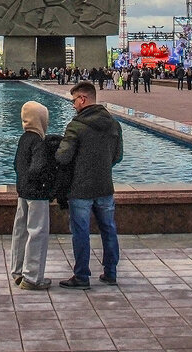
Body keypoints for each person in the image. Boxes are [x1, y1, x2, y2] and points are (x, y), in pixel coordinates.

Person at [55, 81, 123, 290]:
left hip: (80, 188)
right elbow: (117, 156)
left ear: (83, 99)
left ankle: (82, 276)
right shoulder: (113, 124)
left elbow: (63, 157)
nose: (73, 105)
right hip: (104, 186)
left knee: (81, 232)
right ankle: (110, 273)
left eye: (74, 100)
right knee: (109, 229)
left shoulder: (76, 126)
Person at [10, 101, 55, 290]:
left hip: (23, 191)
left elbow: (16, 165)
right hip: (37, 193)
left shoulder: (24, 138)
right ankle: (32, 277)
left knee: (20, 231)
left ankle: (18, 271)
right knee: (37, 232)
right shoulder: (38, 141)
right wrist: (46, 183)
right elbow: (38, 168)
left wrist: (24, 182)